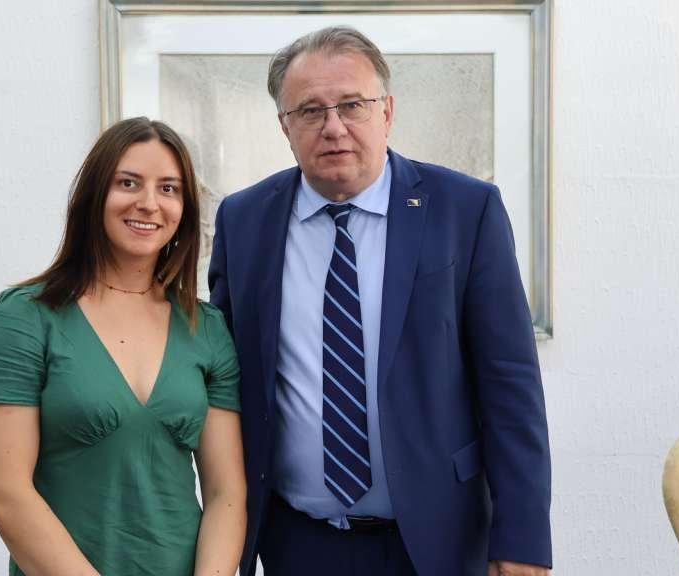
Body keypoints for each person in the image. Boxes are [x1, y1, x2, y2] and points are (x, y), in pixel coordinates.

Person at [208, 27, 551, 576]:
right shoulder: (244, 220)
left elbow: (510, 384)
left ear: (386, 111)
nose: (334, 127)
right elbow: (227, 380)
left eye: (353, 105)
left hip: (439, 543)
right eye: (310, 110)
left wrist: (523, 540)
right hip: (297, 543)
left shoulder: (465, 210)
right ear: (284, 126)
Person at [0, 117, 246, 576]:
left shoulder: (206, 328)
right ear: (94, 194)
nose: (149, 203)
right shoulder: (26, 316)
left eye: (169, 188)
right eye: (128, 182)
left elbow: (225, 494)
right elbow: (5, 493)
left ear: (186, 209)